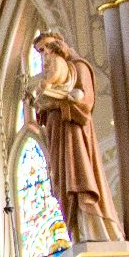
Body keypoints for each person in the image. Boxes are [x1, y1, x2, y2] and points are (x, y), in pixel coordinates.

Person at [28, 32, 124, 242]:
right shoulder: (52, 77)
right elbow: (44, 113)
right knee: (63, 181)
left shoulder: (78, 67)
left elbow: (84, 104)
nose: (44, 55)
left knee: (80, 176)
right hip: (58, 136)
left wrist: (57, 102)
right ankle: (78, 232)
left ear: (59, 45)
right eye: (40, 52)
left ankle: (96, 229)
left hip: (74, 135)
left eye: (46, 48)